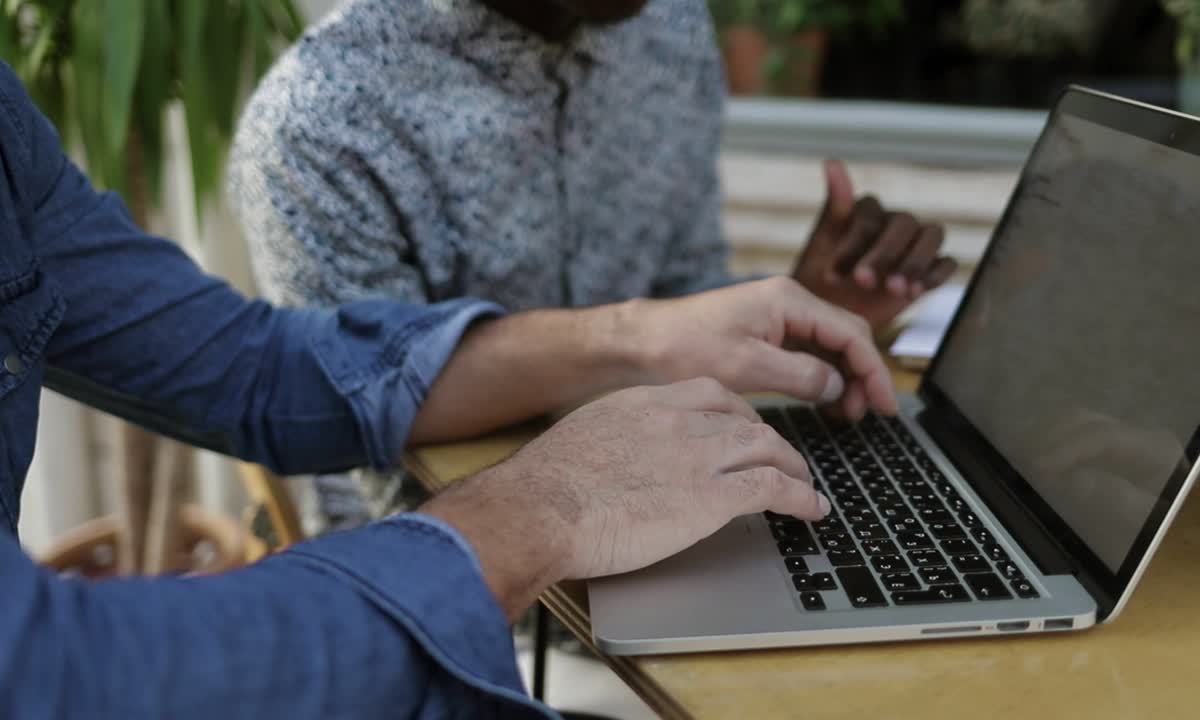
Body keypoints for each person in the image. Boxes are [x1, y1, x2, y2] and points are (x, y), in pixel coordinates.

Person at [0, 6, 897, 717]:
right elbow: (34, 681)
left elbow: (255, 366)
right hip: (474, 626)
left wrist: (638, 336)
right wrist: (545, 506)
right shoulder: (326, 110)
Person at [228, 0, 957, 525]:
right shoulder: (321, 123)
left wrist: (798, 312)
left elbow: (684, 288)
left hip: (686, 513)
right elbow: (367, 440)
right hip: (462, 602)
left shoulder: (668, 28)